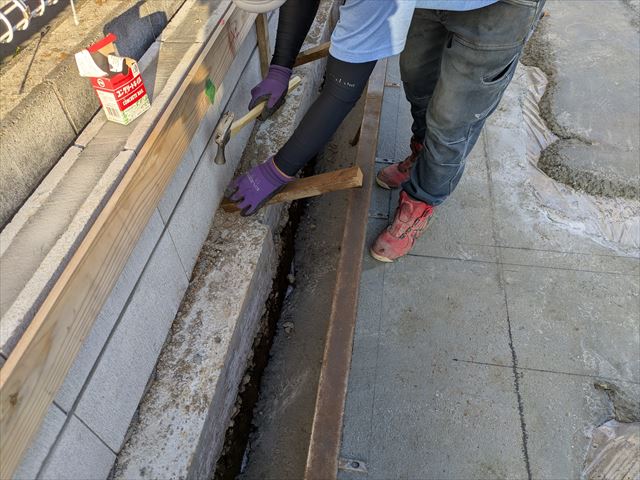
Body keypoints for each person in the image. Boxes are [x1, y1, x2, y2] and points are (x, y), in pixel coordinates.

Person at [229, 0, 545, 263]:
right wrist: (281, 67)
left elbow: (342, 90)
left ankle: (423, 198)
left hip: (500, 8)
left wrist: (277, 171)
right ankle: (422, 154)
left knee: (451, 118)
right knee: (418, 83)